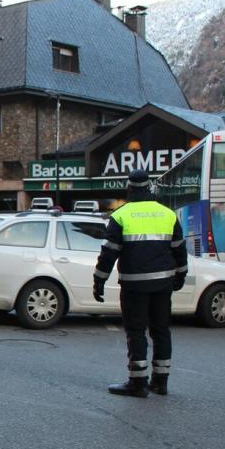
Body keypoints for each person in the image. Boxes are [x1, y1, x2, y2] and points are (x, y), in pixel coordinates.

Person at [93, 169, 188, 398]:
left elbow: (109, 253)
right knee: (161, 330)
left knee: (136, 331)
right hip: (163, 283)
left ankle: (138, 383)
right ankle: (161, 382)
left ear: (129, 188)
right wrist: (180, 275)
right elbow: (179, 249)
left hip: (134, 285)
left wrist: (99, 281)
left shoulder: (121, 215)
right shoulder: (167, 214)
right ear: (149, 188)